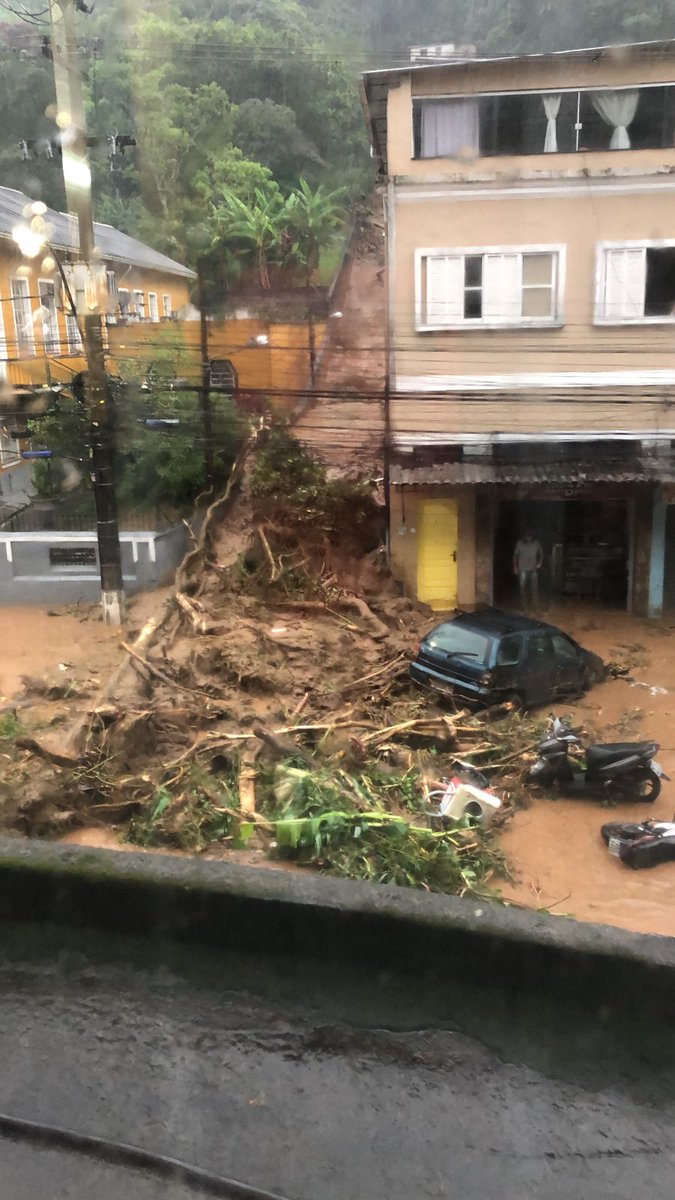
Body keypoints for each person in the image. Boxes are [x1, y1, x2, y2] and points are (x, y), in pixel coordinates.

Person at [513, 529, 544, 609]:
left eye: (530, 537)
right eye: (527, 536)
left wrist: (539, 563)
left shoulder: (536, 543)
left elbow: (541, 553)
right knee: (523, 589)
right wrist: (515, 566)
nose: (529, 538)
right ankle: (525, 608)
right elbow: (515, 555)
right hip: (522, 569)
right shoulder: (519, 543)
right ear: (524, 536)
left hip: (533, 569)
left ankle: (536, 608)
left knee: (534, 589)